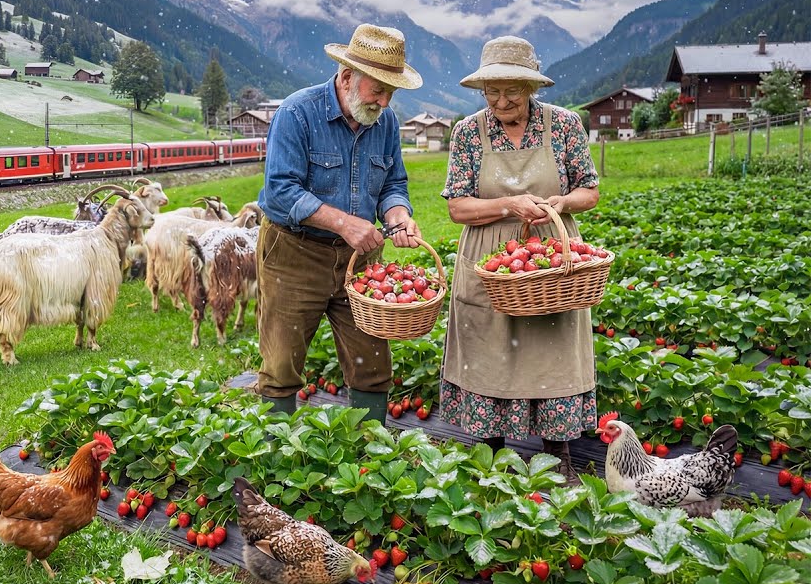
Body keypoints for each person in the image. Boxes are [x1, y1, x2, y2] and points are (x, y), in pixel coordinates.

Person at [440, 36, 600, 484]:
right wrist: (509, 205)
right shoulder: (468, 132)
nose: (501, 101)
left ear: (531, 87)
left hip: (549, 254)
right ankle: (490, 455)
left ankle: (558, 457)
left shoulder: (564, 125)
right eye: (492, 91)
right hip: (489, 257)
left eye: (512, 91)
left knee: (553, 347)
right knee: (489, 347)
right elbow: (457, 208)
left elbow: (590, 191)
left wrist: (561, 203)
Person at [254, 24, 423, 422]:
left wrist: (398, 215)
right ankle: (274, 451)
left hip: (358, 259)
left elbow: (393, 183)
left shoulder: (385, 122)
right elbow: (279, 191)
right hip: (294, 254)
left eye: (390, 92)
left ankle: (369, 449)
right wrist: (345, 223)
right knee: (282, 363)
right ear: (347, 77)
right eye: (377, 90)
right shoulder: (297, 113)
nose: (384, 101)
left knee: (372, 362)